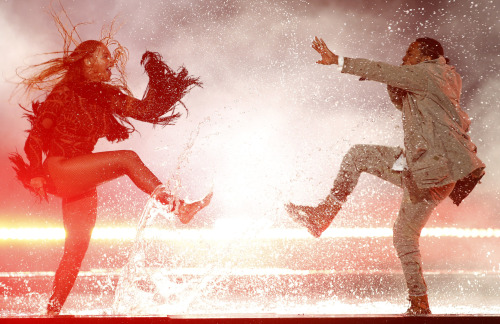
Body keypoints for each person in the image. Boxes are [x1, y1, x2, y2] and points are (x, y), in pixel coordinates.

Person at [10, 38, 213, 315]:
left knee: (76, 250)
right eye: (104, 56)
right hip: (59, 170)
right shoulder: (64, 93)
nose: (111, 62)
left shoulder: (104, 95)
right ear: (87, 61)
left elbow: (146, 110)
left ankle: (51, 313)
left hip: (80, 179)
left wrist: (156, 76)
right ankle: (179, 208)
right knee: (127, 159)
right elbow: (35, 136)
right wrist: (34, 173)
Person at [286, 36, 485, 315]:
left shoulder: (427, 74)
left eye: (409, 52)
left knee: (404, 237)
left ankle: (419, 303)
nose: (404, 56)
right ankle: (323, 214)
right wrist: (394, 83)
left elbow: (383, 70)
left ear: (425, 55)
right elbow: (407, 106)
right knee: (359, 156)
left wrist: (338, 61)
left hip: (431, 173)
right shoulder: (443, 77)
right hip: (426, 165)